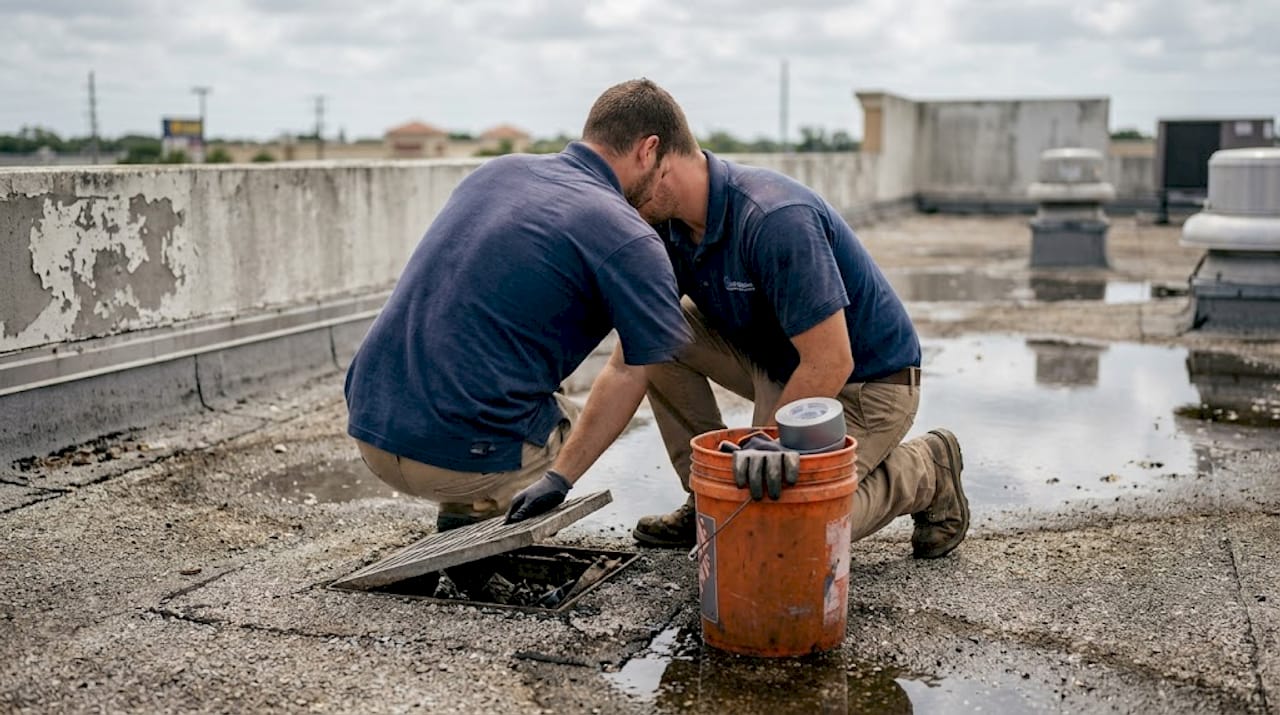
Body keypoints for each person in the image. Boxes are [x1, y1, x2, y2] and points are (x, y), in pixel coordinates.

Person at [344, 79, 700, 531]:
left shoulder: (497, 172)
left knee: (513, 381)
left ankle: (465, 508)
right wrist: (560, 479)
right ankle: (482, 508)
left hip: (370, 429)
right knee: (571, 417)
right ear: (648, 150)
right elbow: (634, 370)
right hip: (456, 463)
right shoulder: (629, 235)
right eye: (667, 168)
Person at [630, 126, 969, 559]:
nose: (621, 203)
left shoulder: (776, 217)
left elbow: (830, 362)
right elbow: (629, 360)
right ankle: (709, 497)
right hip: (785, 369)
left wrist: (764, 463)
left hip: (867, 386)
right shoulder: (669, 223)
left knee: (782, 530)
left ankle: (925, 470)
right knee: (653, 335)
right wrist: (561, 476)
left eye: (624, 185)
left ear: (654, 157)